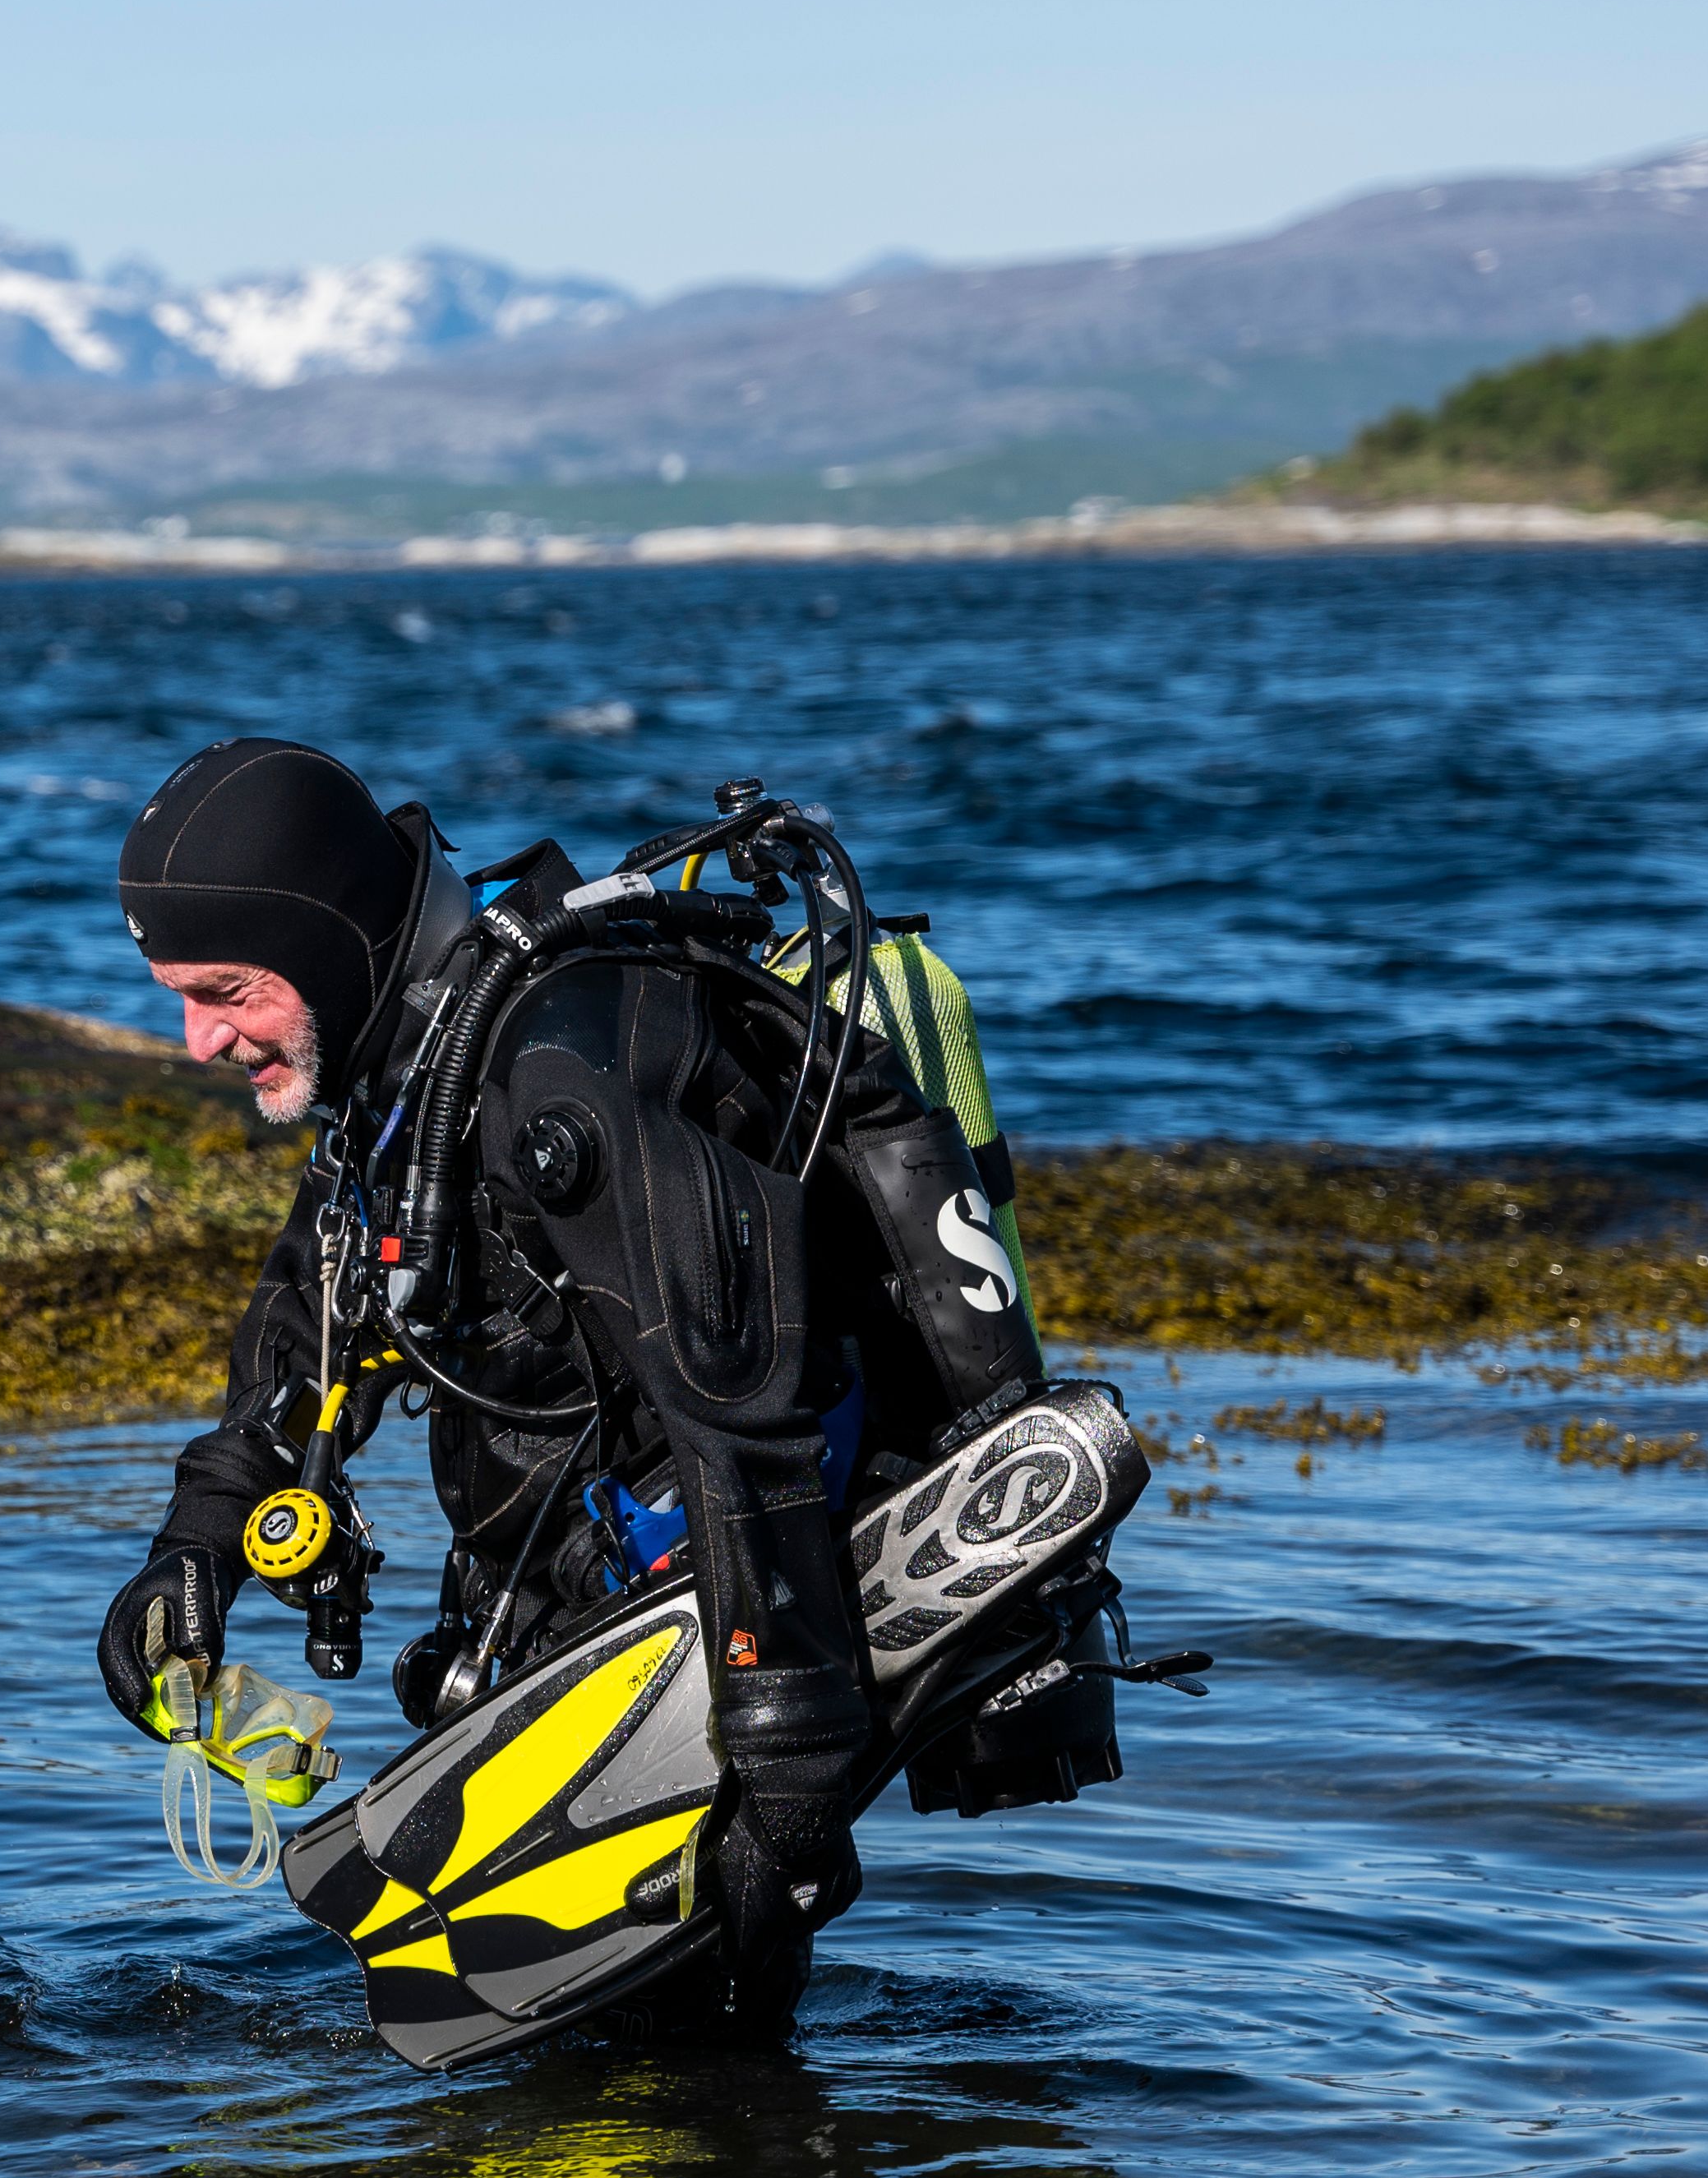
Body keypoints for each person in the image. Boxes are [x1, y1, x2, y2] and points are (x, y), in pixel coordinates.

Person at [89, 736, 1096, 2043]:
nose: (197, 1039)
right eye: (175, 994)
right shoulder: (406, 1084)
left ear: (334, 940)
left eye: (226, 990)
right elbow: (313, 1313)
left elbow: (743, 1416)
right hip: (593, 1645)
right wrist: (201, 1545)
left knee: (686, 2095)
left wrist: (787, 1769)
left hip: (736, 1646)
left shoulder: (556, 1064)